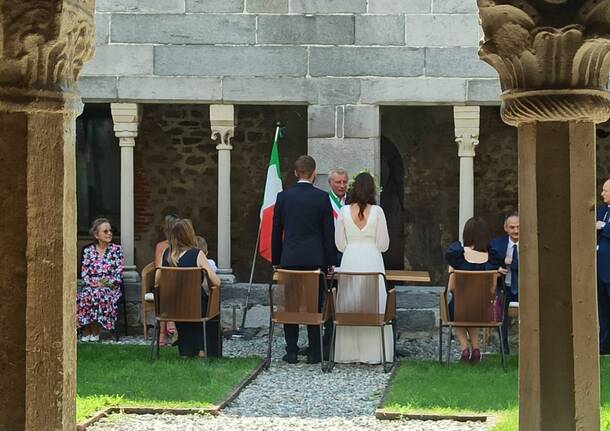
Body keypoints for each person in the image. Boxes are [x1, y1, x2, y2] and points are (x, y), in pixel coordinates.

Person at [272, 155, 337, 364]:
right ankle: (314, 352)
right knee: (313, 305)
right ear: (314, 173)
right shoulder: (321, 197)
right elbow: (329, 233)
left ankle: (291, 350)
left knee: (289, 305)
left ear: (295, 173)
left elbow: (276, 231)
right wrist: (330, 262)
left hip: (289, 258)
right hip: (314, 258)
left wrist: (276, 259)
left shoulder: (283, 197)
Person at [334, 172, 392, 364]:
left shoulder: (343, 212)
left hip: (350, 258)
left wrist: (353, 245)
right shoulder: (378, 212)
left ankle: (349, 353)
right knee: (373, 304)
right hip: (372, 258)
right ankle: (374, 353)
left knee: (351, 303)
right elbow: (384, 244)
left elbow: (339, 244)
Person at [160, 219, 221, 358]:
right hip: (195, 306)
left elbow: (158, 280)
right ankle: (203, 349)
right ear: (190, 234)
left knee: (185, 308)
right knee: (211, 309)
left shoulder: (166, 254)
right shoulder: (197, 254)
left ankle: (186, 350)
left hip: (171, 307)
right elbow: (216, 282)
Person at [445, 216, 496, 364]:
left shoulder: (457, 255)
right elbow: (493, 288)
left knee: (458, 312)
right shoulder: (492, 258)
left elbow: (451, 287)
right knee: (472, 312)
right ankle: (476, 348)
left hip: (460, 308)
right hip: (482, 309)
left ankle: (464, 349)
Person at [77, 218, 124, 342]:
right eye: (105, 231)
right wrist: (92, 284)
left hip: (110, 287)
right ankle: (87, 328)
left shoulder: (116, 250)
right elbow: (84, 273)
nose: (109, 233)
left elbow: (118, 275)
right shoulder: (88, 251)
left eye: (110, 231)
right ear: (96, 235)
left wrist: (102, 283)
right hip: (91, 286)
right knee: (85, 295)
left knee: (99, 293)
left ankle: (95, 329)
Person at [489, 213, 519, 355]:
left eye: (519, 227)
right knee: (501, 317)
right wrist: (497, 268)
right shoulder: (497, 244)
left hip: (525, 288)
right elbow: (488, 264)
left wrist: (511, 262)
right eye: (512, 227)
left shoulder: (531, 243)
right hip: (504, 287)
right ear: (505, 228)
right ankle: (504, 348)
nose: (516, 231)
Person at [154, 214, 179, 346]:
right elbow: (158, 267)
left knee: (170, 290)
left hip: (178, 280)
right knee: (165, 288)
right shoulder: (161, 246)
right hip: (164, 280)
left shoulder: (181, 245)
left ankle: (163, 332)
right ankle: (169, 323)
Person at [597, 180, 610, 354]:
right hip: (600, 271)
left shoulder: (603, 220)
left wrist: (604, 226)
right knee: (603, 312)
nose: (602, 194)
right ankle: (605, 348)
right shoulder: (601, 211)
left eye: (605, 190)